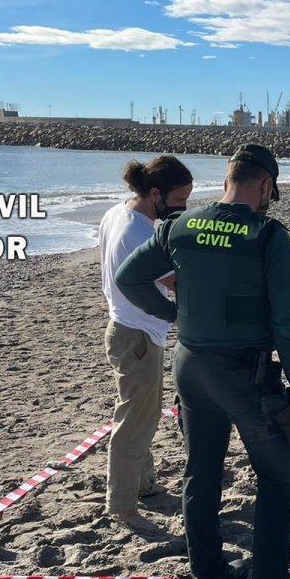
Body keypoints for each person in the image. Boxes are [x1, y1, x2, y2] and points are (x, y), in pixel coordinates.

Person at [116, 143, 290, 579]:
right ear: (265, 186)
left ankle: (208, 571)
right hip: (246, 375)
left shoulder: (180, 225)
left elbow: (129, 277)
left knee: (200, 475)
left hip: (191, 367)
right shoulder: (268, 236)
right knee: (278, 476)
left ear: (226, 181)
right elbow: (288, 319)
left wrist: (174, 314)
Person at [98, 156, 193, 531]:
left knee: (143, 412)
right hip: (137, 335)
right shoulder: (140, 233)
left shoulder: (116, 214)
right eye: (180, 201)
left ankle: (144, 485)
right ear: (155, 193)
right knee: (134, 421)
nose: (184, 209)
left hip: (124, 328)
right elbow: (175, 284)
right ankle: (122, 507)